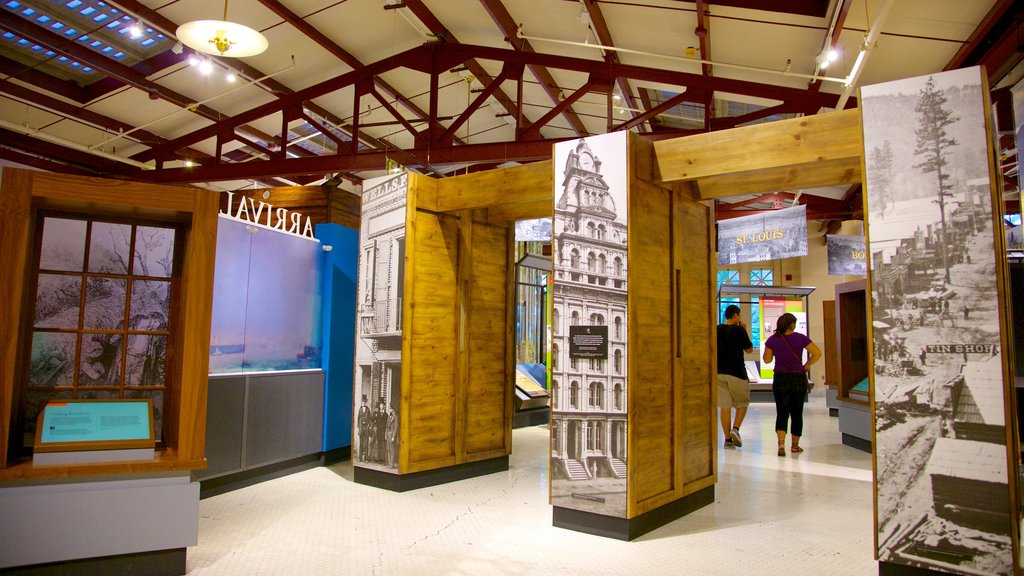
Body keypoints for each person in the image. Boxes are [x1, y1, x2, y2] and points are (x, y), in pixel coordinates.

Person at [762, 313, 822, 456]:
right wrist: (806, 365)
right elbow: (817, 353)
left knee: (782, 412)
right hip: (797, 378)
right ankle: (795, 446)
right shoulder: (801, 338)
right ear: (792, 324)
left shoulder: (772, 340)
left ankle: (781, 444)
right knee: (797, 413)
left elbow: (767, 360)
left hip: (780, 379)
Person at [717, 304, 753, 448]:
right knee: (742, 402)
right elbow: (749, 350)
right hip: (737, 372)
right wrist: (744, 329)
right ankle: (735, 429)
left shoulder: (716, 329)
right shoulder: (739, 330)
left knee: (725, 406)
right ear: (736, 316)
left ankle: (727, 440)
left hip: (719, 372)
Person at [357, 396, 371, 462]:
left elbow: (370, 418)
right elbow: (358, 418)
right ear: (362, 402)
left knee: (366, 443)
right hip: (361, 428)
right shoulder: (360, 409)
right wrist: (358, 427)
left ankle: (365, 458)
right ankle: (360, 458)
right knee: (361, 443)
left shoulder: (368, 409)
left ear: (366, 402)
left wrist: (368, 424)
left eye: (365, 402)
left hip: (366, 429)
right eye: (363, 402)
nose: (364, 403)